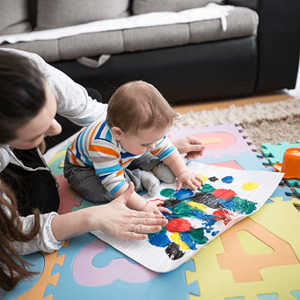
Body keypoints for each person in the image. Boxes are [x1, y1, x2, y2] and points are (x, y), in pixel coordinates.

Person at [0, 48, 205, 291]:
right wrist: (92, 217)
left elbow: (100, 113)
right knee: (44, 201)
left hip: (114, 145)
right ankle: (137, 173)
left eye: (54, 112)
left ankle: (138, 162)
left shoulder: (29, 67)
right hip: (84, 167)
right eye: (40, 133)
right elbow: (12, 236)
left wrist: (156, 145)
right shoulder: (102, 145)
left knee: (94, 95)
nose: (56, 129)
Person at [64, 81, 204, 214]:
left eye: (156, 140)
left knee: (143, 151)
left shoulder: (139, 136)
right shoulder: (102, 144)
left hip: (124, 154)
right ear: (118, 133)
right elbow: (115, 183)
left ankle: (152, 166)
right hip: (84, 169)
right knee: (101, 192)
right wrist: (144, 206)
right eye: (146, 143)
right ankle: (138, 178)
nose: (154, 145)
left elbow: (166, 149)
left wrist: (182, 173)